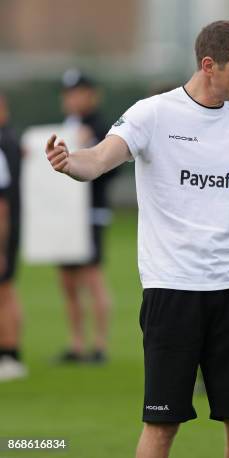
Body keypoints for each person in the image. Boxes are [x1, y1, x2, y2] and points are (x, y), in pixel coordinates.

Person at [46, 20, 229, 458]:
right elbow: (99, 158)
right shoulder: (153, 113)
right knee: (162, 425)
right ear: (209, 65)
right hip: (173, 293)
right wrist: (69, 162)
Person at [57, 69, 117, 363]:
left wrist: (89, 144)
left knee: (92, 277)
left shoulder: (103, 127)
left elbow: (112, 167)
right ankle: (76, 342)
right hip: (65, 215)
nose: (72, 99)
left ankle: (99, 344)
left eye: (78, 92)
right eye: (68, 94)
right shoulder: (64, 127)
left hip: (91, 212)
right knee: (67, 279)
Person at [0, 93, 27, 382]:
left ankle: (10, 354)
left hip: (4, 229)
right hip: (9, 226)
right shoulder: (11, 139)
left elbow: (2, 204)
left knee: (4, 292)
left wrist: (1, 247)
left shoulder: (4, 141)